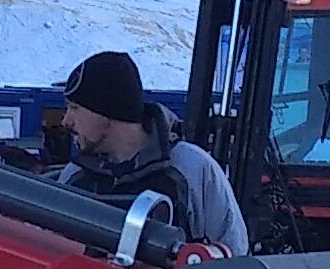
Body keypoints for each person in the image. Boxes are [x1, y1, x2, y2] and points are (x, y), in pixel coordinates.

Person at [49, 49, 246, 254]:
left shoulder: (192, 169)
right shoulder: (74, 175)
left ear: (107, 111)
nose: (66, 121)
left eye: (74, 108)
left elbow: (233, 258)